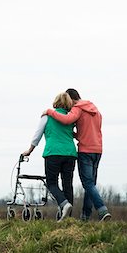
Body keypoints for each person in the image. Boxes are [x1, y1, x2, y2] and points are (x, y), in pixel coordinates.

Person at [42, 88, 111, 222]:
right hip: (98, 150)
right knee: (91, 185)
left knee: (88, 184)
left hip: (85, 150)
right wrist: (72, 134)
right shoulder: (95, 110)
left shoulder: (78, 108)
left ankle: (102, 210)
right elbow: (90, 131)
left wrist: (50, 111)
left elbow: (67, 120)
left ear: (72, 99)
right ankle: (85, 216)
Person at [22, 92, 77, 222]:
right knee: (67, 184)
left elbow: (37, 135)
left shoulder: (47, 117)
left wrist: (29, 150)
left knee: (52, 183)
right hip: (70, 154)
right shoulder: (71, 118)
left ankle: (64, 204)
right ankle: (67, 219)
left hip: (53, 153)